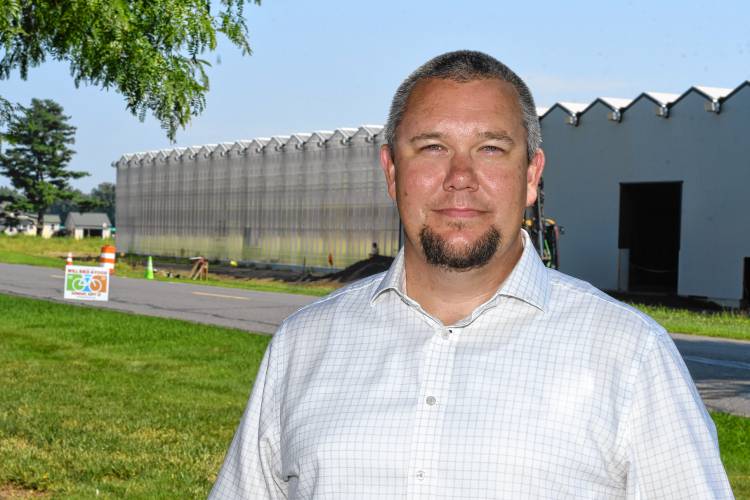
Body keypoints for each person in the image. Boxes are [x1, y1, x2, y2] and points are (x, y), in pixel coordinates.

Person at [210, 51, 733, 499]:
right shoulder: (303, 346)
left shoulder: (630, 355)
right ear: (392, 172)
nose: (460, 179)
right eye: (432, 148)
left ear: (531, 176)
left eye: (490, 149)